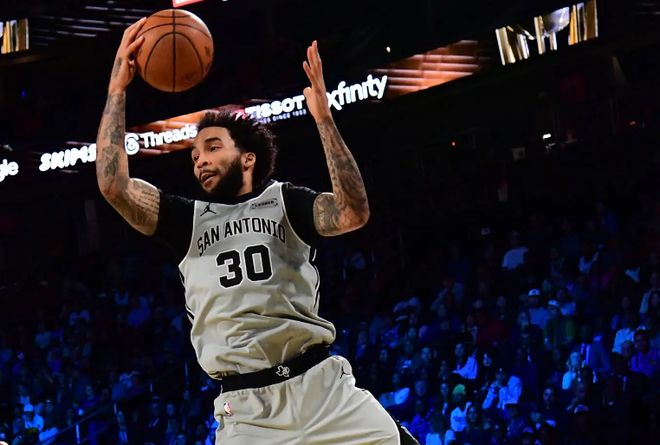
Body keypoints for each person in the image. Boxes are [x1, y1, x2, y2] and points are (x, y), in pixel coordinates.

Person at [95, 19, 417, 445]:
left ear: (247, 159)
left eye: (212, 148)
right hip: (247, 410)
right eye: (194, 156)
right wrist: (117, 89)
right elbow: (113, 185)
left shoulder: (287, 202)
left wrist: (324, 119)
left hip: (322, 390)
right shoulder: (185, 219)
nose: (200, 160)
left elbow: (352, 212)